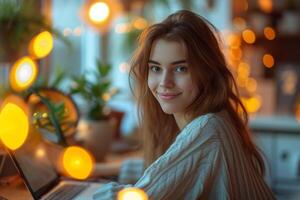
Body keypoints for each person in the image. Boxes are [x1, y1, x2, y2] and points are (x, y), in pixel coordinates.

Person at [93, 10, 275, 200]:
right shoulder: (214, 117)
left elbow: (136, 197)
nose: (165, 82)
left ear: (207, 72)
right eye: (156, 68)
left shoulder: (206, 129)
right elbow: (171, 169)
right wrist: (96, 169)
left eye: (180, 68)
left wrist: (79, 194)